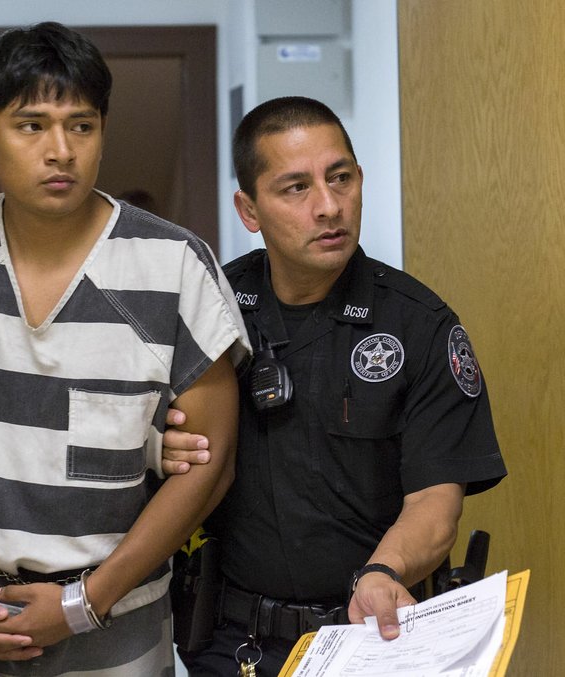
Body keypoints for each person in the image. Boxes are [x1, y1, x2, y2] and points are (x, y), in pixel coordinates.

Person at [0, 22, 249, 676]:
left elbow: (212, 464)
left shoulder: (173, 265)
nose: (61, 150)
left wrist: (84, 603)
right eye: (31, 125)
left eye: (81, 126)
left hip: (116, 623)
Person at [162, 96, 507, 676]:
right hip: (233, 644)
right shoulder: (207, 311)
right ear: (249, 210)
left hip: (374, 637)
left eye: (340, 178)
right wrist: (163, 448)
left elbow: (435, 504)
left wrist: (385, 571)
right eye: (296, 188)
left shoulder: (420, 327)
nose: (328, 206)